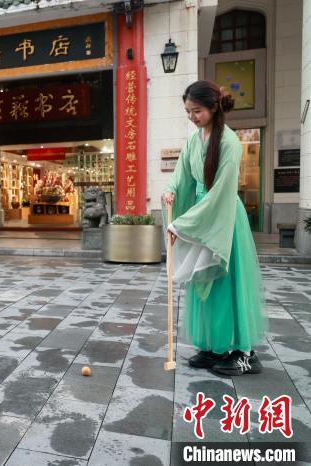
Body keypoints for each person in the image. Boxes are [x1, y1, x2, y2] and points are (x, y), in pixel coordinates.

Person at [161, 80, 267, 376]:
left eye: (196, 111)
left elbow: (220, 192)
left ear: (213, 108)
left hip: (223, 217)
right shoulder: (194, 140)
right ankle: (214, 347)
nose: (191, 116)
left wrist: (182, 225)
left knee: (226, 284)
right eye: (188, 111)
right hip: (201, 216)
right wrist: (171, 191)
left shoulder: (229, 142)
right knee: (203, 282)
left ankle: (244, 352)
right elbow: (181, 175)